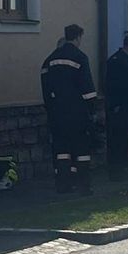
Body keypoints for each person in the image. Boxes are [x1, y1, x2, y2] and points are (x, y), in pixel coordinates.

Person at [40, 24, 96, 194]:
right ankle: (83, 185)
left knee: (61, 150)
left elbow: (45, 88)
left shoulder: (50, 59)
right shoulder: (80, 57)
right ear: (78, 37)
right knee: (81, 150)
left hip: (57, 113)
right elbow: (87, 88)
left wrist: (51, 108)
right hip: (77, 112)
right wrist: (92, 109)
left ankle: (63, 185)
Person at [105, 33, 128, 180]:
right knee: (118, 141)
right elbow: (111, 86)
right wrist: (116, 106)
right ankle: (116, 172)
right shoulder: (116, 61)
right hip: (120, 108)